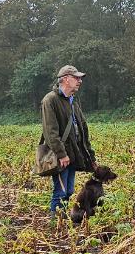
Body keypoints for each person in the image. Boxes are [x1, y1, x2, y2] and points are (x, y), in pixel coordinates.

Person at [40, 65, 96, 216]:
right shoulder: (50, 100)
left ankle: (61, 219)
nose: (80, 81)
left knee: (69, 190)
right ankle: (55, 221)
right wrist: (61, 154)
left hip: (73, 153)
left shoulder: (72, 102)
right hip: (61, 155)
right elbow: (50, 132)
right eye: (76, 78)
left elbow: (83, 130)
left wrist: (90, 156)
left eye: (80, 78)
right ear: (65, 79)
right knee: (61, 191)